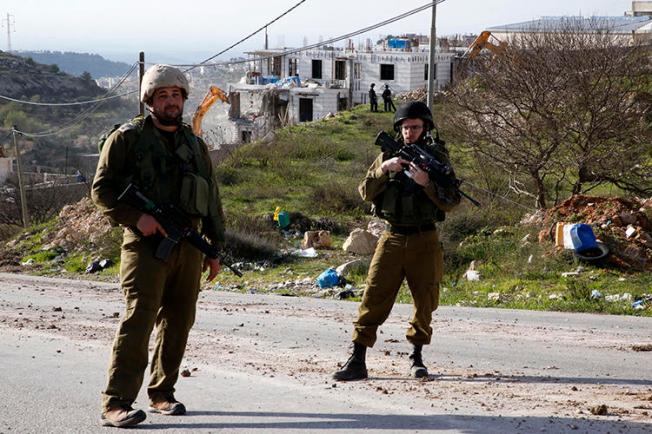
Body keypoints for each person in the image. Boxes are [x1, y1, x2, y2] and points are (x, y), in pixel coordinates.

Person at [92, 64, 226, 428]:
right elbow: (101, 191)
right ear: (149, 100)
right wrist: (138, 218)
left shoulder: (194, 144)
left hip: (188, 245)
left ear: (184, 99)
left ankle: (162, 392)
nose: (170, 101)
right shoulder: (127, 138)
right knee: (139, 321)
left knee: (180, 321)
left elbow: (211, 199)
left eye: (176, 95)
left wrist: (214, 250)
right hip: (146, 245)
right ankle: (116, 402)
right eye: (162, 95)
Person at [332, 101, 460, 381]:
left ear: (425, 128)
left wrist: (427, 183)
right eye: (404, 128)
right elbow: (365, 191)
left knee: (425, 301)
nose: (409, 133)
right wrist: (384, 169)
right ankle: (357, 359)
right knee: (373, 297)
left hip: (424, 238)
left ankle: (416, 358)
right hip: (391, 237)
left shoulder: (437, 159)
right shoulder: (387, 156)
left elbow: (451, 201)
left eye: (415, 127)